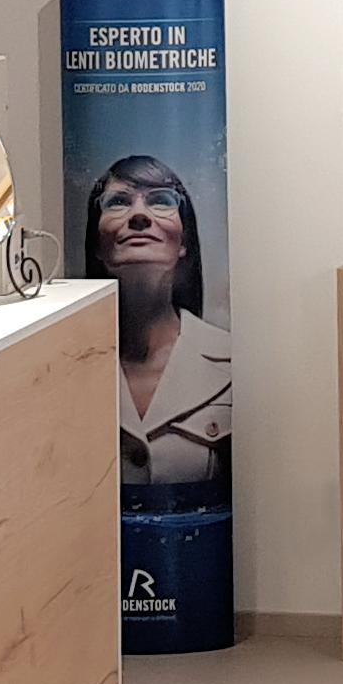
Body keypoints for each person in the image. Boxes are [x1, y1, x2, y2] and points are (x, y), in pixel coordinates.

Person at [83, 154, 230, 490]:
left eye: (160, 200)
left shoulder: (234, 362)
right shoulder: (59, 368)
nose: (139, 215)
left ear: (184, 241)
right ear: (96, 244)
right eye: (118, 202)